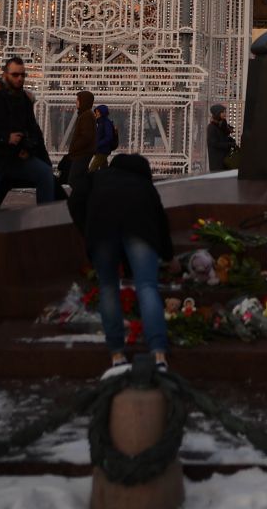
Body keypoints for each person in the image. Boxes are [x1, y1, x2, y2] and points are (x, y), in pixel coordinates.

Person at [72, 152, 173, 370]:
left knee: (108, 287)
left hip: (102, 232)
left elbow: (76, 199)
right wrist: (168, 255)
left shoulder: (99, 177)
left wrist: (86, 228)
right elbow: (161, 222)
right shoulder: (145, 185)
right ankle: (158, 354)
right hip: (140, 233)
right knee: (146, 286)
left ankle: (117, 354)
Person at [0, 56, 58, 208]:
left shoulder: (23, 99)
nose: (20, 79)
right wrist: (5, 138)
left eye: (23, 75)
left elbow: (32, 129)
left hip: (13, 157)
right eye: (15, 75)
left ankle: (45, 218)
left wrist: (29, 148)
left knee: (44, 173)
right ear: (5, 74)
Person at [61, 92, 99, 191]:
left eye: (78, 100)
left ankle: (79, 198)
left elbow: (86, 136)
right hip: (82, 152)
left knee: (73, 179)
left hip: (82, 153)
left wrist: (74, 147)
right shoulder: (85, 114)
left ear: (84, 101)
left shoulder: (87, 115)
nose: (76, 102)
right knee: (81, 177)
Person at [206, 102, 238, 174]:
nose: (224, 114)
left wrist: (230, 140)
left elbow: (223, 138)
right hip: (217, 163)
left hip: (225, 160)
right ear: (217, 113)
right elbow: (215, 144)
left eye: (225, 112)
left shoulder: (221, 125)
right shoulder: (211, 127)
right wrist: (229, 144)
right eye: (222, 112)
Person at [91, 103, 120, 170]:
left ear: (101, 113)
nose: (96, 113)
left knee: (92, 169)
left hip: (102, 150)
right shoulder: (100, 122)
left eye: (97, 112)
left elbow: (108, 137)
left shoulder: (106, 123)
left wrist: (98, 144)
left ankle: (89, 180)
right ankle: (107, 179)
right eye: (96, 111)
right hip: (100, 150)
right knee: (104, 169)